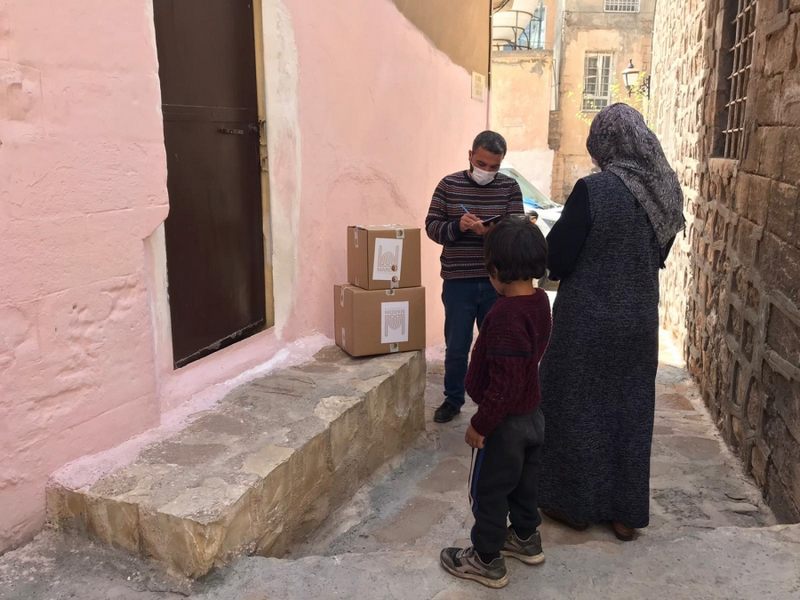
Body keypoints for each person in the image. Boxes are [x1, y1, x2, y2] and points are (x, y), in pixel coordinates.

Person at [537, 103, 685, 541]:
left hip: (586, 319)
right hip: (638, 320)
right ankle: (624, 514)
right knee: (630, 411)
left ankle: (576, 506)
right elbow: (658, 255)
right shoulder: (664, 191)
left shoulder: (593, 190)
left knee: (574, 406)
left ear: (605, 142)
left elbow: (558, 259)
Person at [439, 216, 551, 589]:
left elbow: (504, 383)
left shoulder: (504, 315)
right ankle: (524, 537)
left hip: (505, 424)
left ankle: (486, 558)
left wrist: (480, 424)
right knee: (523, 485)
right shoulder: (540, 302)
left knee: (489, 491)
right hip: (533, 416)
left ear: (495, 269)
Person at [425, 131, 524, 424]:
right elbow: (431, 227)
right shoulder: (448, 185)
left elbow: (518, 232)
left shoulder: (509, 188)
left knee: (496, 346)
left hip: (498, 282)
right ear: (470, 155)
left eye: (494, 167)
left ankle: (494, 402)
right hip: (458, 281)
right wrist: (457, 227)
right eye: (482, 164)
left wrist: (491, 232)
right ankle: (453, 399)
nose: (487, 171)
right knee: (457, 346)